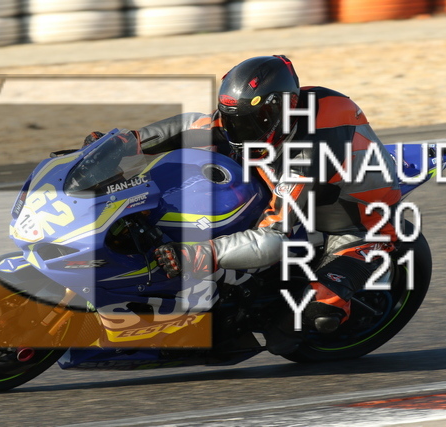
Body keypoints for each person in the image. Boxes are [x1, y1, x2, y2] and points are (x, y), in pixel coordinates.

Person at [84, 55, 401, 355]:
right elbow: (197, 125)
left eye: (252, 122)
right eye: (235, 119)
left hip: (357, 225)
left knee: (300, 327)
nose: (239, 131)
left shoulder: (309, 154)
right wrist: (125, 143)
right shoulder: (267, 116)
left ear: (282, 109)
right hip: (293, 183)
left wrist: (199, 254)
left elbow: (274, 237)